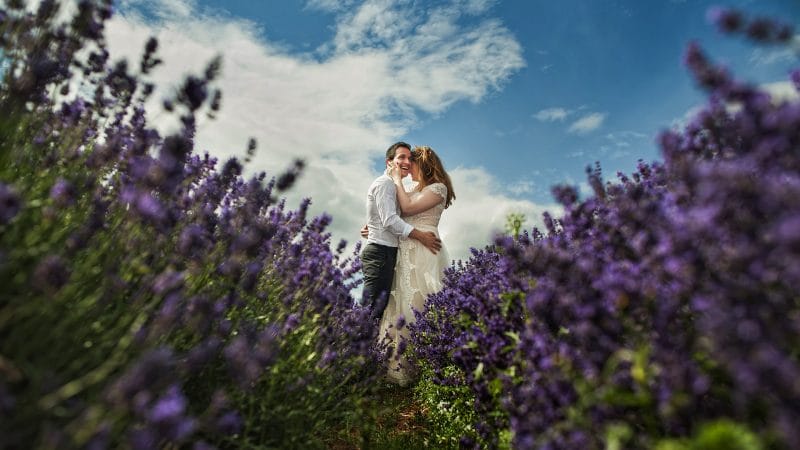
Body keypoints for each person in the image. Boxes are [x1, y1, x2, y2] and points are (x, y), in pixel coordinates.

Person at [378, 145, 455, 386]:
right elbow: (393, 213)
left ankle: (431, 365)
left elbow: (408, 209)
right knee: (401, 302)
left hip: (425, 249)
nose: (408, 166)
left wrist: (396, 179)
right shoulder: (411, 188)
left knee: (423, 300)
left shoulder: (438, 188)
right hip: (406, 249)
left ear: (425, 165)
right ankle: (400, 367)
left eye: (412, 162)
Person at [359, 142, 442, 323]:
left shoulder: (395, 186)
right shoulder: (386, 184)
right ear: (389, 162)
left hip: (389, 252)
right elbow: (390, 220)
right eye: (401, 157)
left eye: (410, 158)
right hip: (380, 253)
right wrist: (420, 235)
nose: (407, 162)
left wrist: (372, 225)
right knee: (371, 312)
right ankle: (351, 349)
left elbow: (389, 217)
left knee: (380, 311)